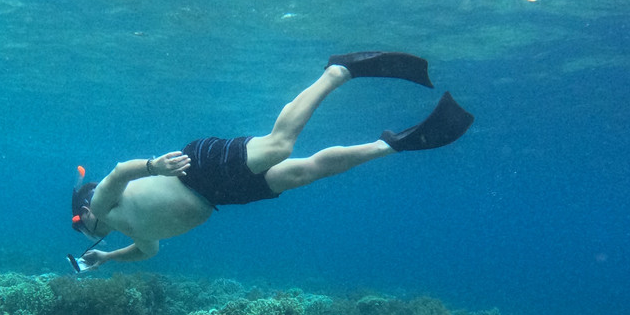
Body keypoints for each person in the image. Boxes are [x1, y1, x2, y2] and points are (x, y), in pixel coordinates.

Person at [70, 51, 473, 270]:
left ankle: (338, 71)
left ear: (85, 213)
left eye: (81, 227)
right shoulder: (131, 232)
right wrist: (106, 257)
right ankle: (393, 145)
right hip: (219, 197)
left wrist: (154, 167)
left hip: (195, 169)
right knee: (302, 173)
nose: (87, 232)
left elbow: (118, 172)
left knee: (279, 146)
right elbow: (148, 252)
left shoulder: (105, 204)